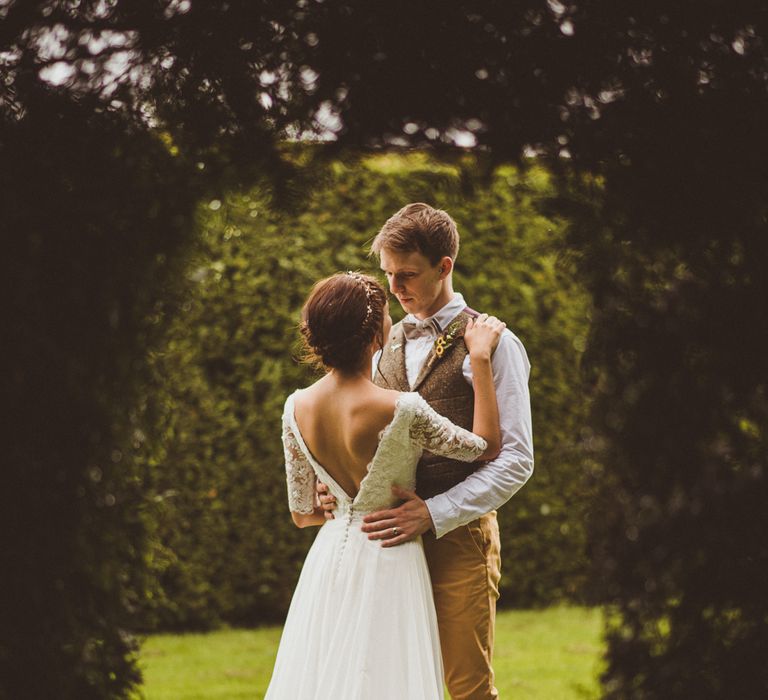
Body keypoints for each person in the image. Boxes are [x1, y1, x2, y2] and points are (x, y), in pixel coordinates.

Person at [318, 204, 534, 699]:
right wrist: (335, 489)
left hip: (458, 541)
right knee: (387, 682)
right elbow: (364, 434)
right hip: (386, 544)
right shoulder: (380, 342)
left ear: (445, 266)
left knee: (466, 688)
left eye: (408, 274)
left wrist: (433, 514)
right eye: (389, 275)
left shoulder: (497, 345)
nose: (395, 289)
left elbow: (516, 459)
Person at [265, 271, 506, 700]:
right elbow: (485, 448)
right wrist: (481, 361)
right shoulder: (402, 408)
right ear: (377, 334)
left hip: (329, 560)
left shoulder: (296, 406)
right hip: (389, 553)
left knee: (331, 678)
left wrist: (335, 497)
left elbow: (302, 514)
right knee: (387, 677)